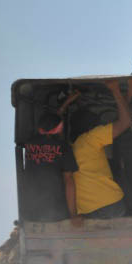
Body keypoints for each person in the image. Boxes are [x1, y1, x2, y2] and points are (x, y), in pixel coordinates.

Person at [71, 79, 132, 219]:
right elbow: (126, 122)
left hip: (86, 210)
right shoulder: (91, 138)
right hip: (109, 203)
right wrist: (115, 90)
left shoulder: (69, 146)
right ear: (91, 128)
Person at [21, 90, 81, 226]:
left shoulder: (30, 142)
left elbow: (50, 125)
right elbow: (69, 181)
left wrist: (65, 104)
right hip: (55, 208)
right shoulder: (63, 148)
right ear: (58, 129)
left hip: (31, 209)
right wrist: (73, 215)